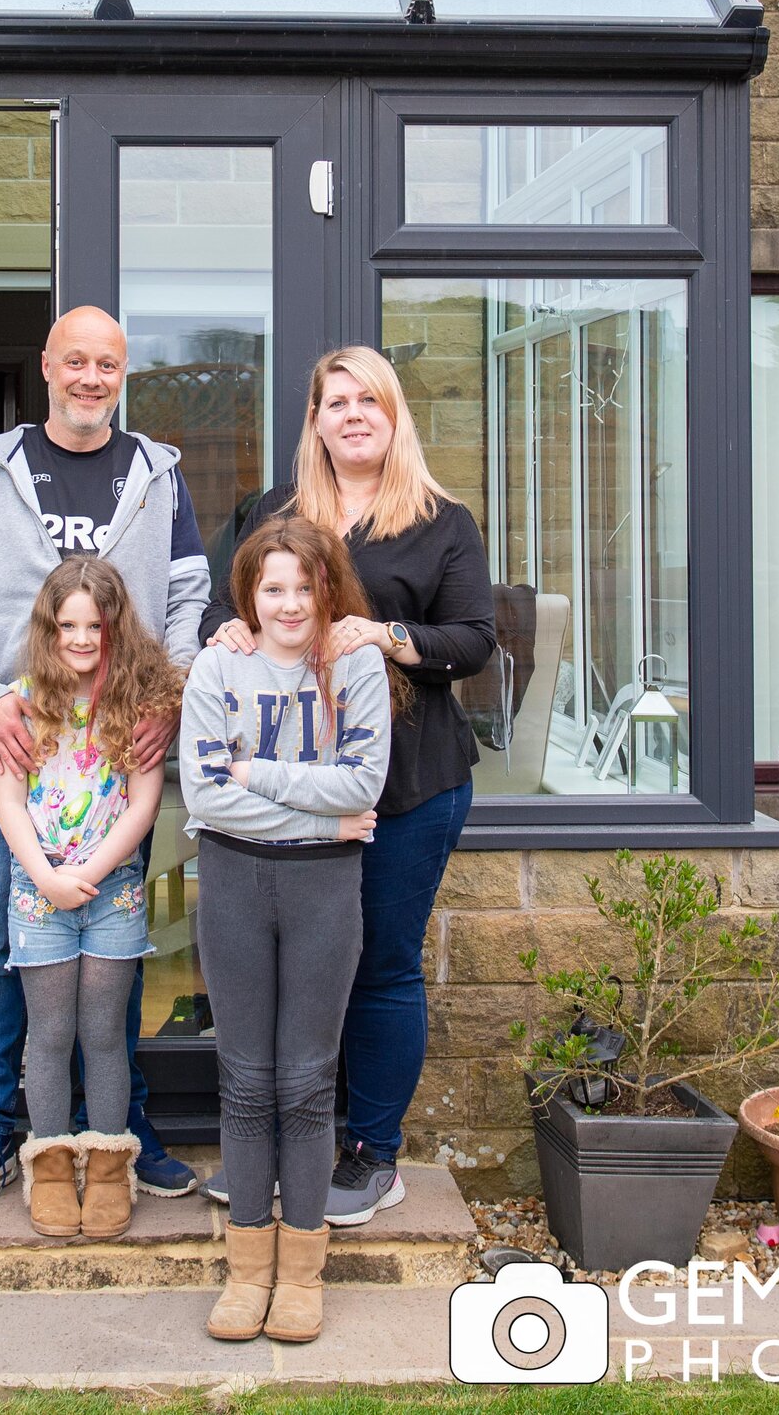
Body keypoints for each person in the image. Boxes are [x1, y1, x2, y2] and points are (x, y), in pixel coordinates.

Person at [0, 306, 211, 1208]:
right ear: (47, 365)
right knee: (3, 940)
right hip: (15, 738)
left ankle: (115, 1127)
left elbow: (192, 598)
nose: (91, 377)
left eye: (108, 364)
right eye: (75, 360)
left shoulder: (155, 473)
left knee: (110, 941)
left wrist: (172, 692)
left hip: (121, 743)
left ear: (124, 374)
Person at [198, 346, 494, 1226]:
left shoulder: (443, 521)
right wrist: (229, 636)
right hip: (288, 790)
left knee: (380, 969)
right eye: (337, 401)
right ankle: (281, 1153)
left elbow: (473, 640)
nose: (354, 414)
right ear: (317, 420)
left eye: (371, 399)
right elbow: (226, 609)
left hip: (406, 786)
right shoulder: (274, 512)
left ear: (394, 415)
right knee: (290, 974)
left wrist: (384, 633)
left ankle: (372, 1153)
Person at [181, 518, 398, 1345]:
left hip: (322, 889)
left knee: (307, 1079)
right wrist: (323, 812)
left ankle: (302, 1274)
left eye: (305, 587)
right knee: (244, 1076)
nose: (289, 603)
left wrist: (257, 771)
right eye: (273, 587)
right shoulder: (218, 663)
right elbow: (204, 798)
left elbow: (363, 780)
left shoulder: (358, 664)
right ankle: (246, 1272)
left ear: (328, 589)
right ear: (249, 594)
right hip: (235, 879)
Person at [0, 557, 181, 1239]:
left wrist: (93, 870)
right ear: (48, 628)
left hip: (113, 890)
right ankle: (49, 1166)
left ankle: (106, 1166)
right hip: (38, 891)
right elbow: (8, 801)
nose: (79, 638)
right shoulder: (19, 703)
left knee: (103, 1034)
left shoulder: (138, 704)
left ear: (114, 628)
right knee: (48, 1034)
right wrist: (46, 876)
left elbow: (143, 802)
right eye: (66, 624)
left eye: (93, 625)